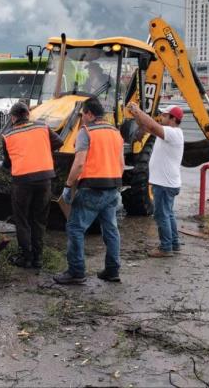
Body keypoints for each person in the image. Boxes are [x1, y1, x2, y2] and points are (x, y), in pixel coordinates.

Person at [54, 97, 124, 284]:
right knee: (110, 230)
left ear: (90, 114)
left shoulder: (86, 133)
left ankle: (76, 272)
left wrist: (68, 186)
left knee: (75, 228)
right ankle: (112, 270)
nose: (82, 118)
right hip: (112, 189)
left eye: (83, 114)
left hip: (91, 189)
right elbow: (122, 164)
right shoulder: (115, 132)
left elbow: (79, 163)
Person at [2, 102, 64, 269]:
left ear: (13, 117)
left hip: (22, 182)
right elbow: (59, 142)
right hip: (44, 180)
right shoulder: (42, 127)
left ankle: (26, 258)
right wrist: (41, 149)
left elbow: (7, 163)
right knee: (39, 219)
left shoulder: (7, 135)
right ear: (28, 114)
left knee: (22, 220)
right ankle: (38, 258)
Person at [127, 102, 185, 257]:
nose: (162, 117)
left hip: (165, 184)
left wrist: (138, 110)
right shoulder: (169, 133)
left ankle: (166, 248)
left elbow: (152, 125)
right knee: (169, 214)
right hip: (168, 183)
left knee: (162, 215)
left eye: (165, 116)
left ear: (173, 119)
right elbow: (146, 126)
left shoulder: (172, 133)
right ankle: (174, 243)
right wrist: (136, 115)